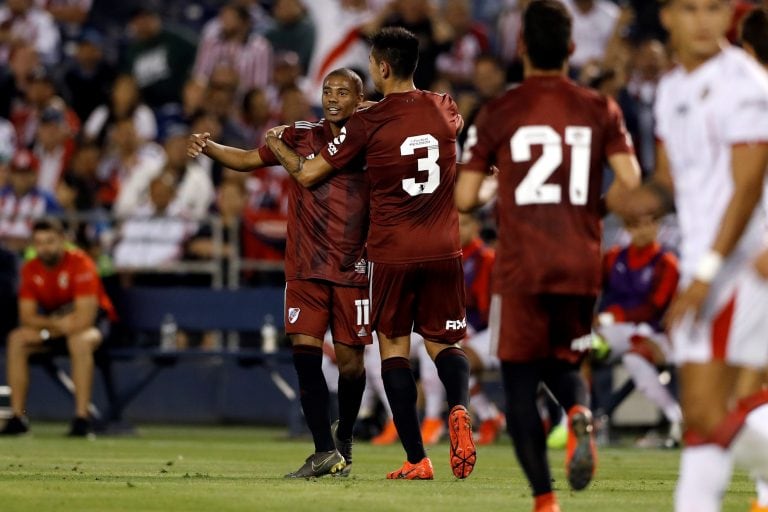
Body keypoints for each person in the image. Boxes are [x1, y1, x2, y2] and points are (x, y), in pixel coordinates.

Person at [266, 26, 476, 481]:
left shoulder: (367, 121)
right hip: (445, 246)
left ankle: (418, 459)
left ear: (381, 66)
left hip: (392, 250)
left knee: (395, 350)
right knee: (445, 342)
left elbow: (310, 173)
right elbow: (456, 139)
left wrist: (278, 142)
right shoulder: (444, 106)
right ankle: (459, 407)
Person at [454, 1, 640, 510]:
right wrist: (590, 211)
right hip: (580, 261)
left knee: (518, 381)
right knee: (565, 359)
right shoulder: (601, 107)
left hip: (523, 262)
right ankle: (579, 414)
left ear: (521, 48)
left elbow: (465, 197)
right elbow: (631, 183)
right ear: (573, 48)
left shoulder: (500, 112)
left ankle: (544, 500)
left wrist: (497, 188)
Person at [187, 68, 371, 478]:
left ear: (360, 99)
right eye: (327, 90)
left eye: (344, 91)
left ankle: (345, 436)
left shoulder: (370, 137)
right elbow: (250, 159)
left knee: (351, 366)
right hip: (305, 266)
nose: (333, 98)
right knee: (305, 356)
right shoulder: (300, 134)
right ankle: (323, 450)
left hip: (353, 267)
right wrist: (211, 147)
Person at [623, 1, 768, 511]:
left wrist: (707, 273)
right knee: (704, 424)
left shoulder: (745, 85)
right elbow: (668, 181)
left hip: (742, 269)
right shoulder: (671, 88)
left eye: (714, 8)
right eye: (690, 8)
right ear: (667, 17)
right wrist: (636, 198)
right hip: (703, 266)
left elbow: (747, 188)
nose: (704, 20)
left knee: (708, 413)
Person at [0, 217, 117, 437]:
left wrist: (47, 329)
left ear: (62, 240)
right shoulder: (30, 269)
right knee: (17, 339)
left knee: (79, 341)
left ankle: (82, 418)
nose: (44, 248)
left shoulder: (81, 263)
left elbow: (84, 319)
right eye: (39, 242)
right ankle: (18, 417)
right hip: (56, 326)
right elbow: (27, 317)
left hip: (96, 326)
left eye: (50, 241)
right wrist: (51, 328)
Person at [595, 213, 682, 447]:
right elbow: (591, 288)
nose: (643, 230)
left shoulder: (667, 262)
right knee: (580, 346)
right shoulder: (613, 257)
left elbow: (656, 307)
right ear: (627, 229)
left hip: (654, 333)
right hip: (614, 330)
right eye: (636, 224)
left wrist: (615, 317)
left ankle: (677, 419)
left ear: (658, 226)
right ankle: (577, 416)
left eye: (648, 223)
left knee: (635, 358)